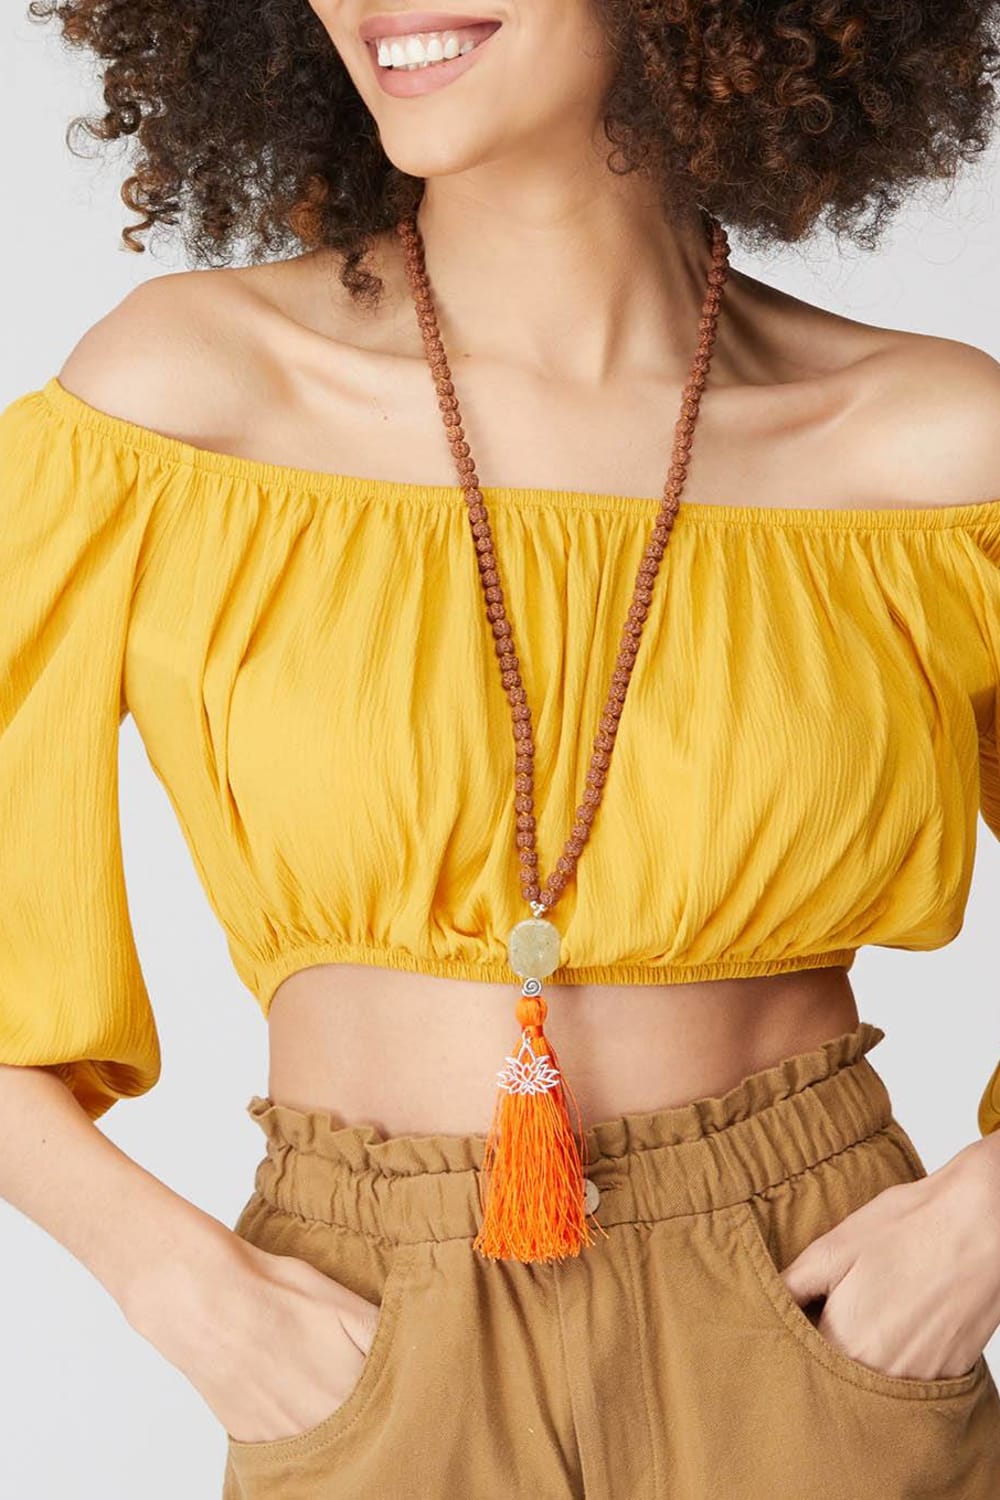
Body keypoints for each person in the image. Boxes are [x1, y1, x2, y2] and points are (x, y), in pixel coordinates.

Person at [4, 0, 1000, 1494]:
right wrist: (169, 1277)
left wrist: (983, 1227)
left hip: (807, 1312)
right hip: (367, 1317)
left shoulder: (929, 450)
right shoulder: (182, 404)